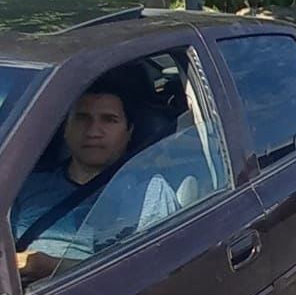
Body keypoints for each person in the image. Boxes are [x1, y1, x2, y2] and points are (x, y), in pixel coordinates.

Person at [13, 85, 178, 283]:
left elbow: (147, 273)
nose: (93, 131)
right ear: (66, 129)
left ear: (129, 131)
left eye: (109, 120)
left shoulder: (148, 192)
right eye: (82, 118)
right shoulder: (25, 184)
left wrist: (49, 267)